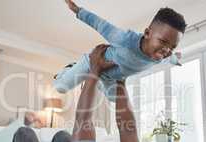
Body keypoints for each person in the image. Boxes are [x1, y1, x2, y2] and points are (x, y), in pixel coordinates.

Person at [2, 45, 182, 142]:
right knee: (61, 136)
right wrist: (120, 80)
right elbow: (128, 128)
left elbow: (83, 121)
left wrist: (94, 71)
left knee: (23, 133)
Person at [54, 0, 187, 102]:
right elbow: (100, 24)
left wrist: (175, 59)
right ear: (147, 33)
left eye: (172, 47)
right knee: (61, 87)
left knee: (116, 99)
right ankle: (70, 68)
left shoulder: (161, 56)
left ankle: (98, 80)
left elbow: (170, 57)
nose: (166, 50)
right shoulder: (125, 40)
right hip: (93, 63)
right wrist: (77, 10)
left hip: (111, 77)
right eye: (163, 42)